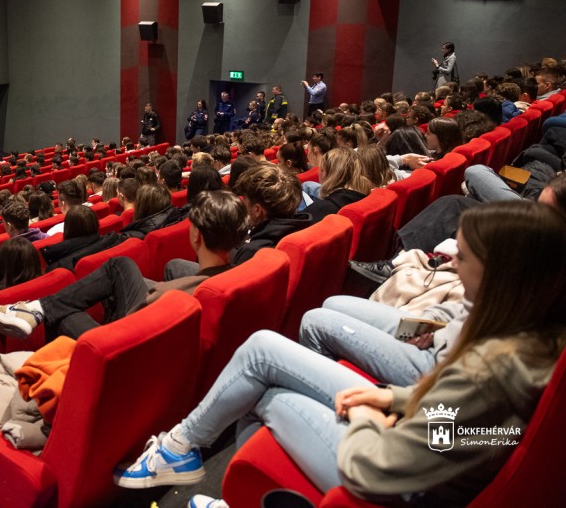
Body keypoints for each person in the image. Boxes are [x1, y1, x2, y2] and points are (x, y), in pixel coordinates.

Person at [115, 199, 566, 507]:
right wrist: (393, 398)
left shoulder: (487, 370)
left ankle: (182, 449)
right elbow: (457, 425)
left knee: (263, 378)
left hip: (394, 482)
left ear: (501, 275)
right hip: (420, 439)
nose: (449, 261)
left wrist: (371, 415)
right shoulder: (531, 335)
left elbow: (379, 468)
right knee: (275, 350)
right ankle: (188, 452)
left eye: (462, 257)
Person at [0, 190, 247, 341]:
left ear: (196, 235)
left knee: (65, 315)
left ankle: (38, 311)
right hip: (153, 324)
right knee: (119, 265)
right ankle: (37, 308)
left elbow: (149, 321)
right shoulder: (239, 279)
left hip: (130, 341)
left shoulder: (180, 296)